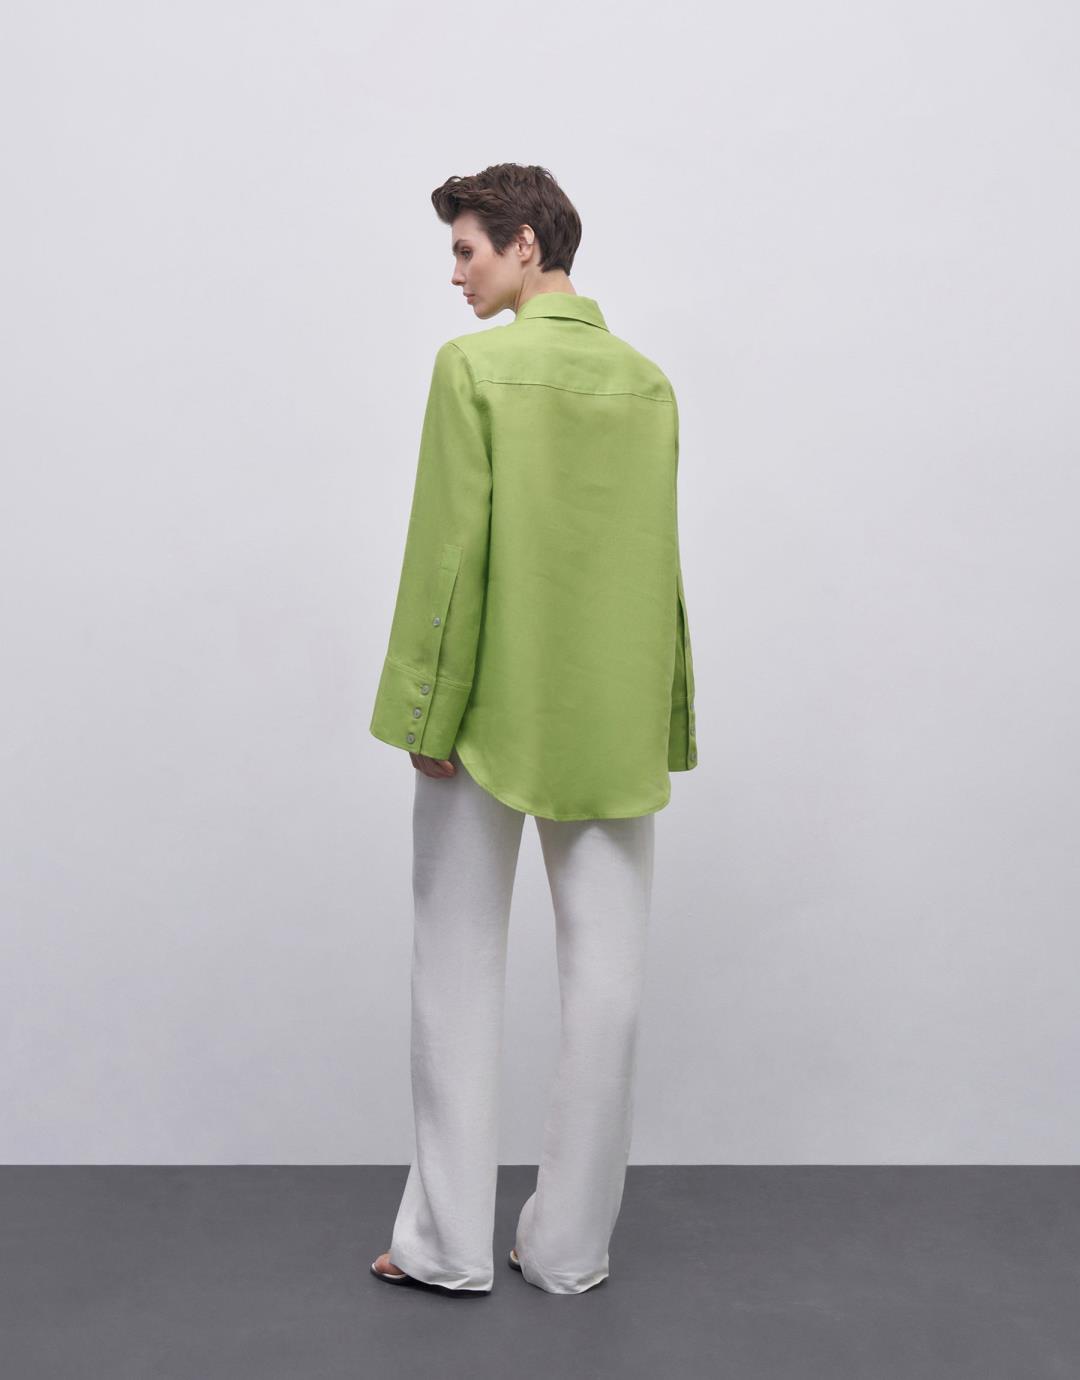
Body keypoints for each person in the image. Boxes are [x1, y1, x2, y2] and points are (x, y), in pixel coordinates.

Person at [368, 163, 697, 1296]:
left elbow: (448, 555)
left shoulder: (472, 369)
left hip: (482, 724)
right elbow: (658, 569)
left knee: (454, 975)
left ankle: (448, 1244)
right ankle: (568, 1249)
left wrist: (425, 714)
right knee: (610, 986)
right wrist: (665, 720)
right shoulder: (648, 384)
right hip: (610, 722)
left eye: (467, 249)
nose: (455, 274)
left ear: (523, 244)